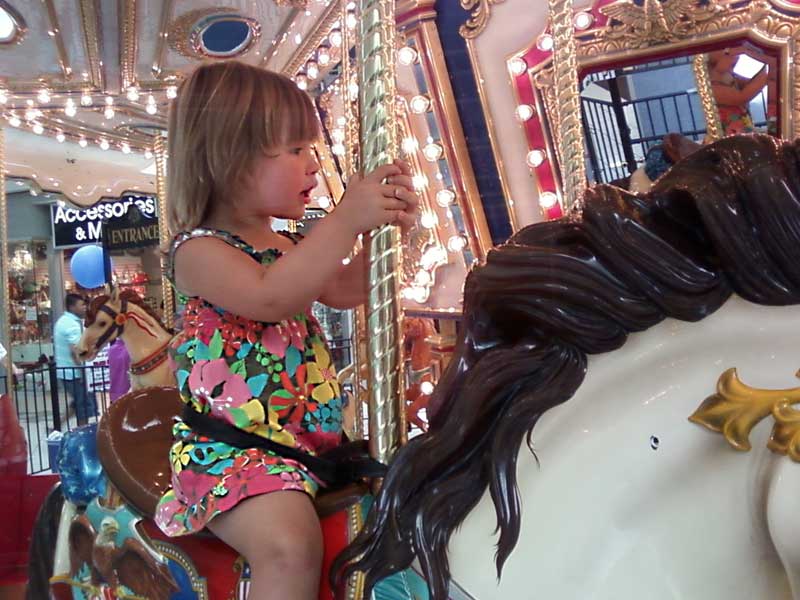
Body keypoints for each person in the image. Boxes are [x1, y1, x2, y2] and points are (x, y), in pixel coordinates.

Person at [153, 61, 418, 600]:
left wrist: (391, 241)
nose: (312, 166)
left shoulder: (286, 246)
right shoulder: (199, 251)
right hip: (233, 452)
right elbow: (272, 298)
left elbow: (343, 289)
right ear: (231, 157)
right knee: (290, 546)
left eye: (311, 149)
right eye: (294, 150)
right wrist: (345, 220)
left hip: (305, 447)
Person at [53, 293, 96, 426]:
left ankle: (57, 425)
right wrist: (83, 372)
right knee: (83, 406)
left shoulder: (66, 321)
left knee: (77, 402)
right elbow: (76, 352)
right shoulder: (70, 325)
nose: (85, 307)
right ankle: (83, 433)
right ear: (72, 307)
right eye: (82, 305)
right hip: (74, 373)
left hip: (68, 372)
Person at [708, 48, 769, 136]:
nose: (736, 58)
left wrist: (759, 55)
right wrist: (769, 69)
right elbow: (742, 97)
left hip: (743, 128)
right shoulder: (712, 86)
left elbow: (751, 83)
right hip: (729, 134)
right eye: (727, 54)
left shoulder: (729, 76)